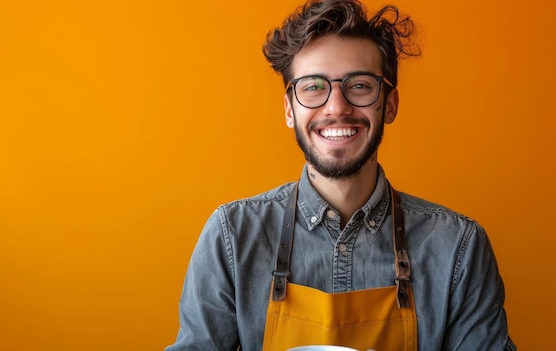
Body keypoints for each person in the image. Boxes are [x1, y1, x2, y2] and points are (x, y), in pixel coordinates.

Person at [166, 0, 516, 350]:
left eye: (360, 85)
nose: (336, 107)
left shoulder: (458, 246)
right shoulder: (232, 235)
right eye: (313, 86)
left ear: (389, 104)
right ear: (290, 109)